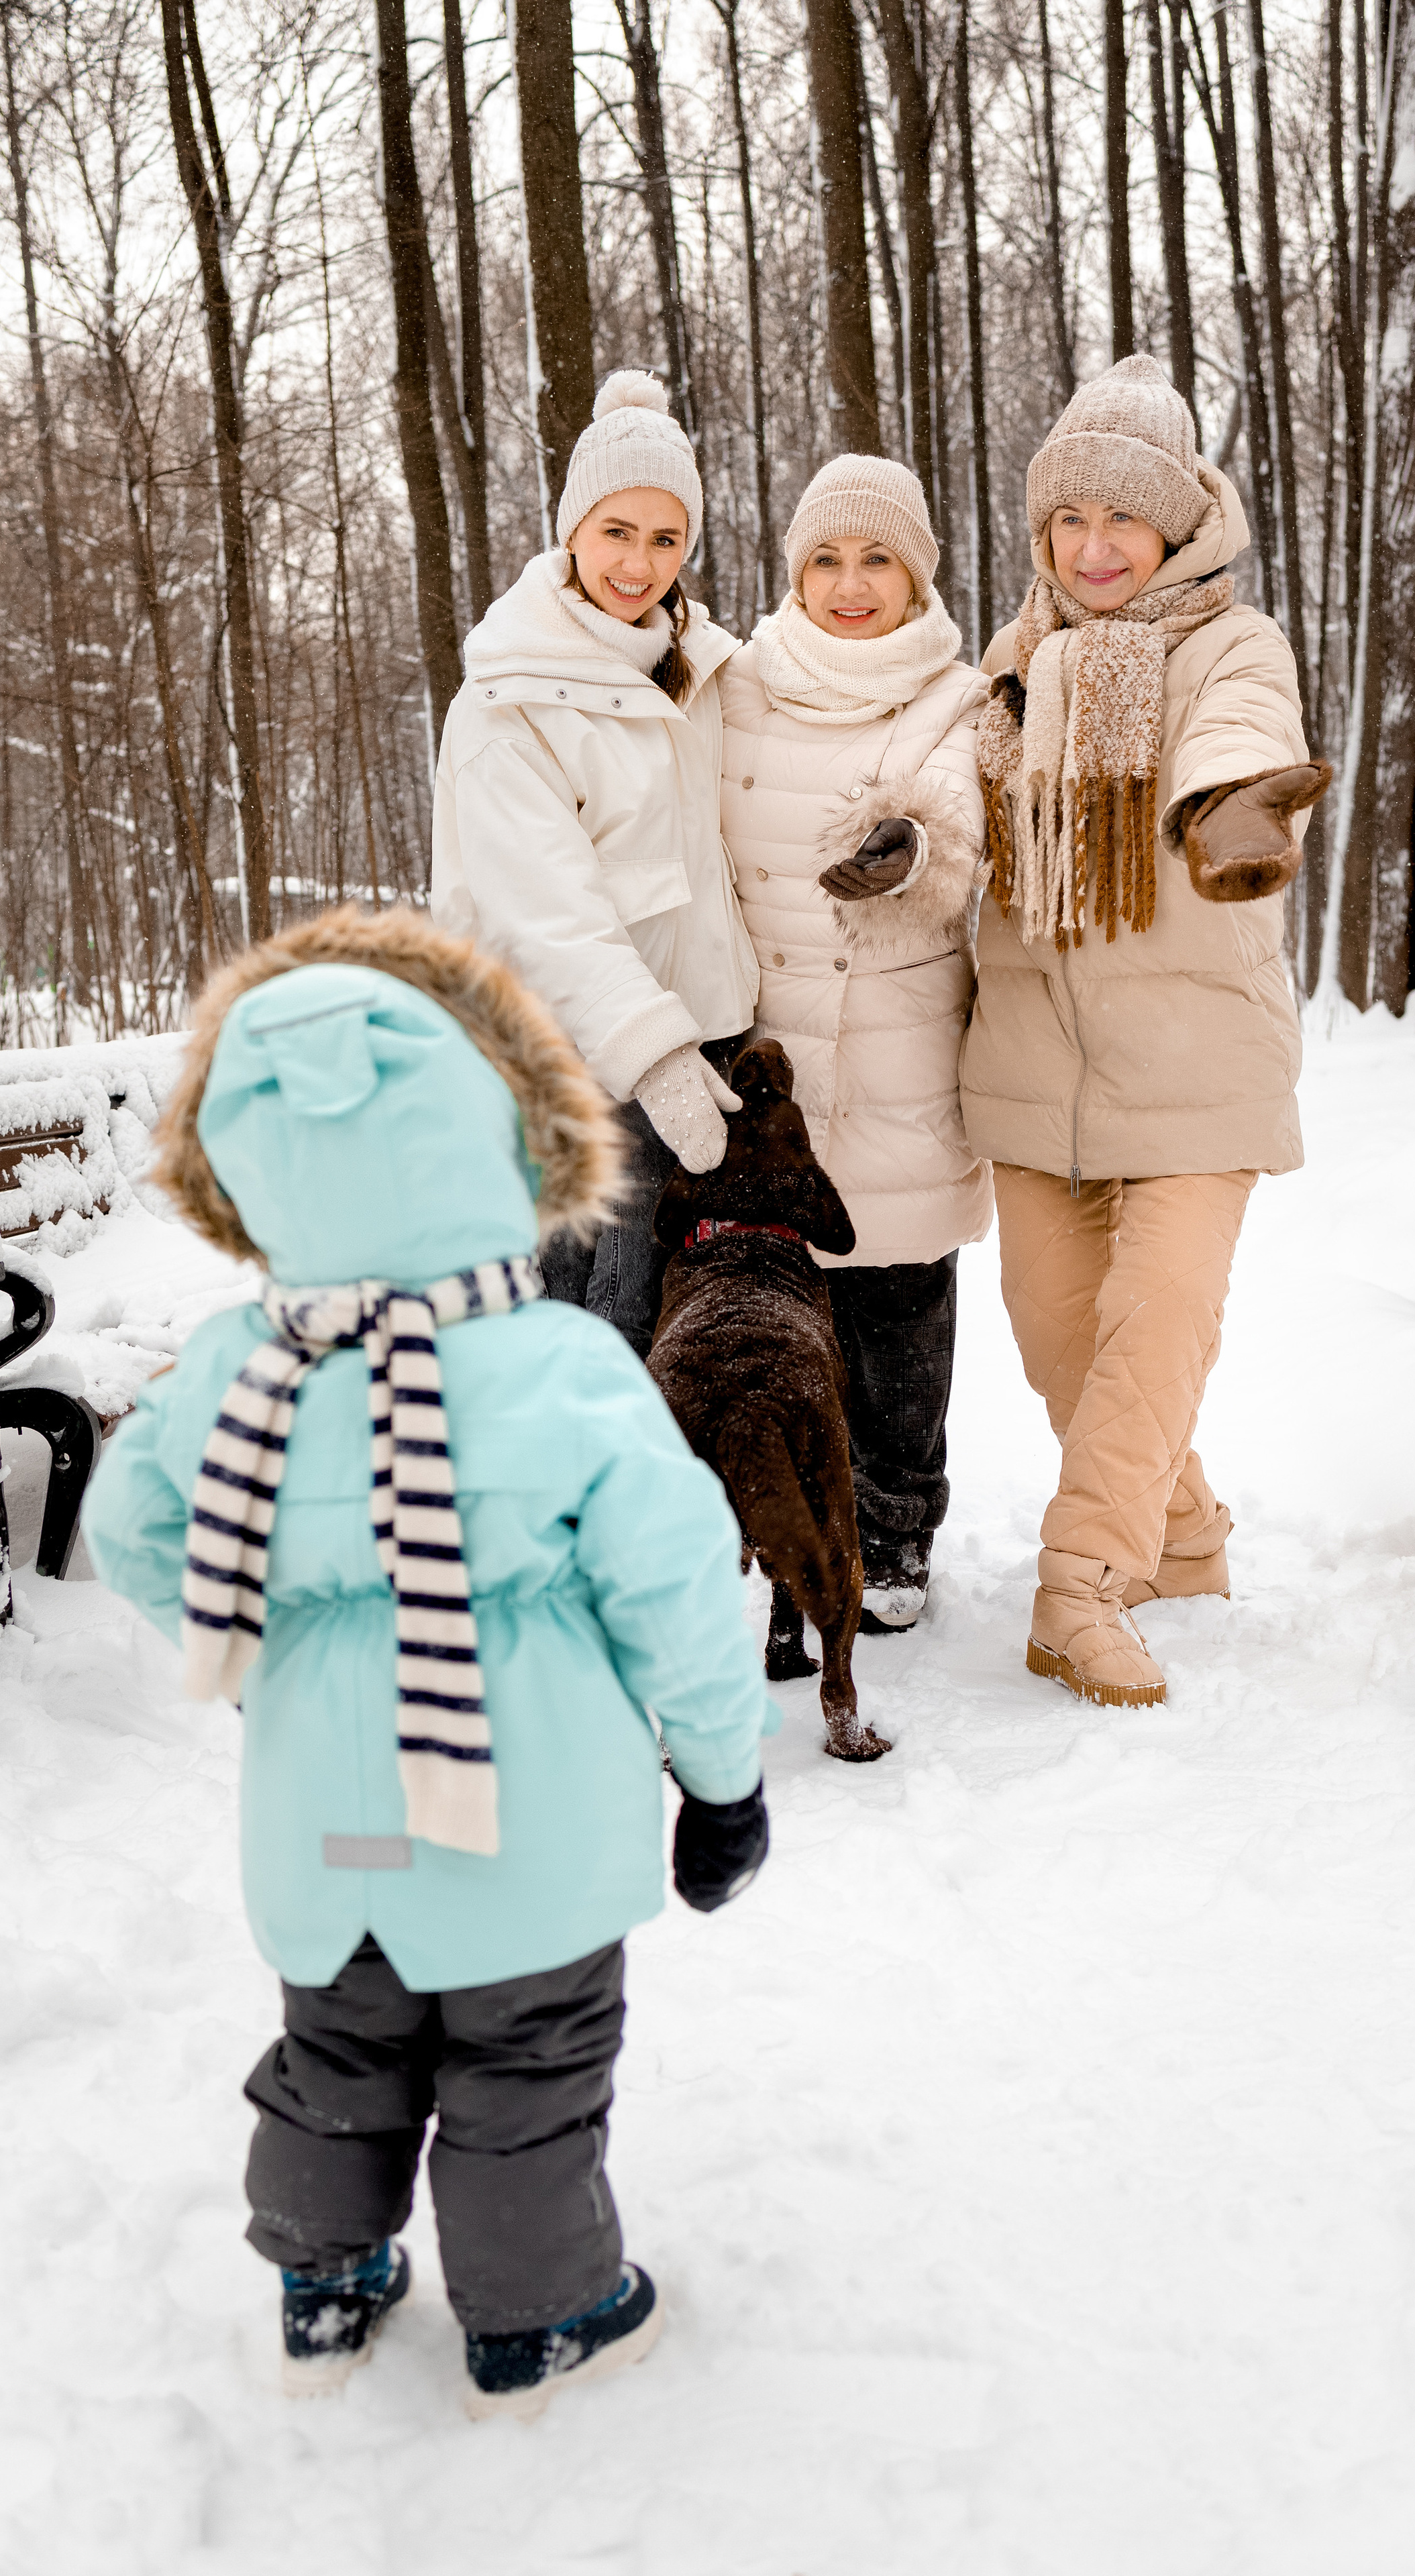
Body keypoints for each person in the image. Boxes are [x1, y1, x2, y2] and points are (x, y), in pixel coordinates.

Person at [82, 909, 774, 2418]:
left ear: (245, 1164)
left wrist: (266, 1646)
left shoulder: (233, 1371)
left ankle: (322, 2289)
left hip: (325, 1828)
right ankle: (538, 2316)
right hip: (529, 1839)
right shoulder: (563, 1371)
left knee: (338, 2051)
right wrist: (722, 1784)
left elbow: (129, 1523)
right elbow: (674, 1590)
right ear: (502, 1132)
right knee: (526, 2069)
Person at [961, 355, 1327, 1709]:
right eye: (1069, 521)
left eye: (1123, 520)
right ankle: (1179, 1539)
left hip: (1191, 1068)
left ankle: (1080, 1587)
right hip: (1031, 1071)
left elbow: (1234, 733)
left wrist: (1232, 806)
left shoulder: (1228, 646)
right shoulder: (1008, 663)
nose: (1095, 547)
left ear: (1175, 527)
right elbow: (946, 802)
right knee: (1060, 1341)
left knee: (1156, 1322)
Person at [430, 370, 756, 1358]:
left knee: (672, 1348)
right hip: (577, 1083)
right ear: (573, 527)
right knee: (586, 1341)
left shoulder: (704, 671)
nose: (639, 562)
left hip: (704, 1066)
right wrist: (654, 1056)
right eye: (618, 531)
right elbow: (548, 915)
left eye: (667, 539)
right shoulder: (507, 702)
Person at [719, 457, 991, 1631]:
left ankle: (896, 1527)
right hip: (769, 1056)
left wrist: (907, 853)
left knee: (899, 1303)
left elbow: (960, 833)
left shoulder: (957, 694)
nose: (850, 584)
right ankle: (796, 1522)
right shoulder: (739, 685)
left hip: (900, 1046)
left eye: (878, 557)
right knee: (786, 1310)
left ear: (917, 570)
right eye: (826, 559)